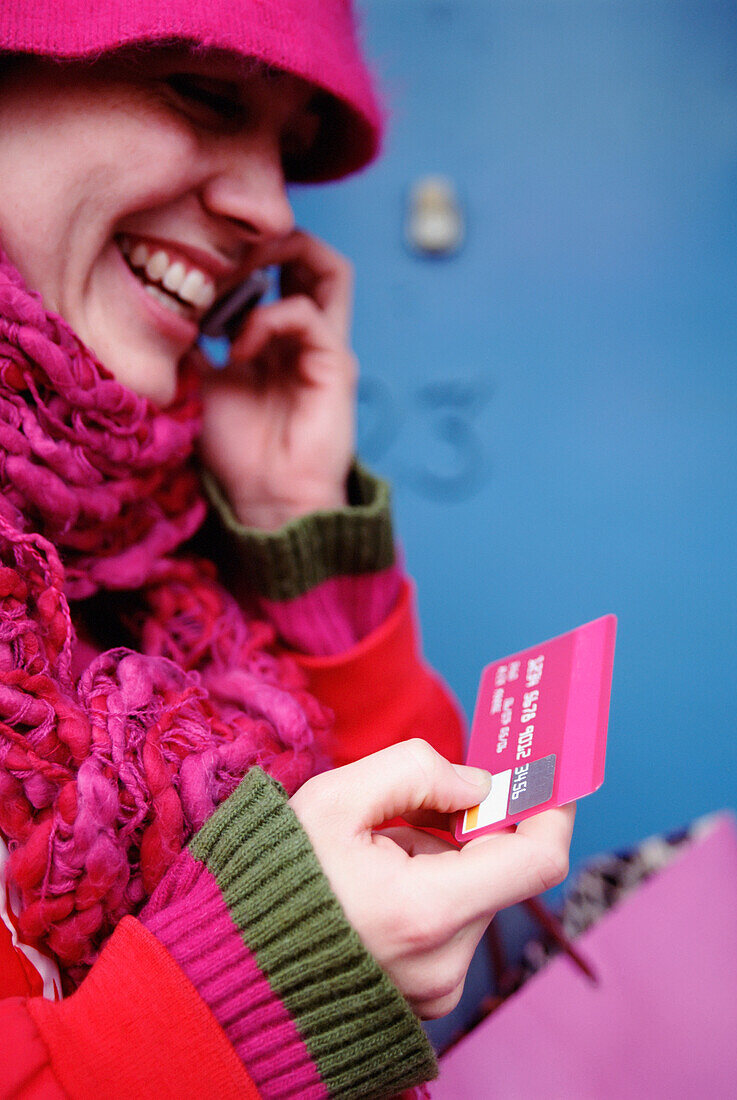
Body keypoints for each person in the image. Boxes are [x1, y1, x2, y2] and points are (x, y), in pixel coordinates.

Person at [0, 2, 575, 1096]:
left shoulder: (148, 528)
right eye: (203, 92)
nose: (269, 207)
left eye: (289, 148)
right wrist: (244, 1002)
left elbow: (416, 869)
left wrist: (294, 537)